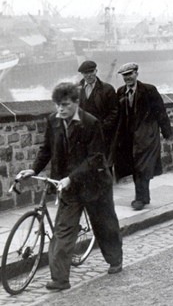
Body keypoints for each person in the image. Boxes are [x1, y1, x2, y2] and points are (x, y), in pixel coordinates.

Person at [17, 82, 123, 290]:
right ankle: (60, 279)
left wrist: (71, 178)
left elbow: (94, 158)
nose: (60, 109)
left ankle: (115, 260)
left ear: (76, 102)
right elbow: (46, 149)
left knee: (105, 225)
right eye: (57, 105)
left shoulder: (91, 123)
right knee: (63, 231)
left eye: (65, 105)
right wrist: (34, 170)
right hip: (69, 188)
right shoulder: (53, 121)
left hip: (95, 185)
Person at [114, 63, 173, 211]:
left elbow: (160, 111)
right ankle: (143, 196)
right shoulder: (121, 92)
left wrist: (167, 132)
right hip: (129, 137)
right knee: (135, 167)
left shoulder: (149, 90)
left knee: (143, 166)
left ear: (136, 74)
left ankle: (139, 198)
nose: (127, 78)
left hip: (147, 134)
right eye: (124, 75)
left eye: (130, 74)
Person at [77, 60, 118, 162]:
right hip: (83, 134)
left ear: (96, 71)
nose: (89, 75)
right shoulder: (76, 89)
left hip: (102, 134)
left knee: (102, 162)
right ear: (82, 74)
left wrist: (102, 127)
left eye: (91, 72)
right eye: (86, 73)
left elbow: (114, 112)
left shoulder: (107, 89)